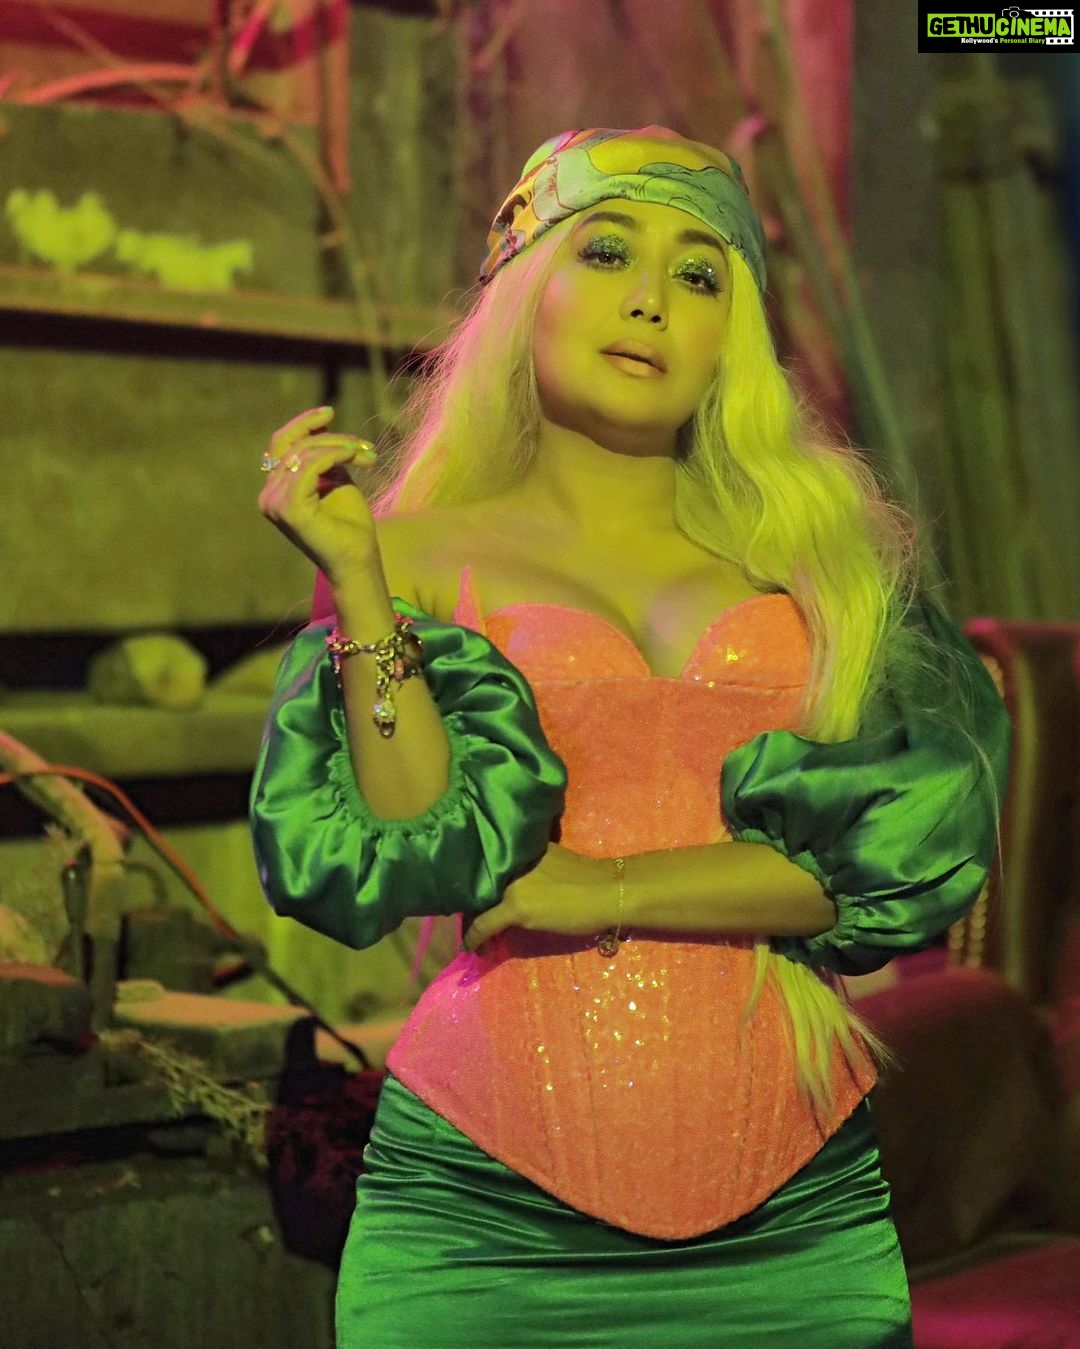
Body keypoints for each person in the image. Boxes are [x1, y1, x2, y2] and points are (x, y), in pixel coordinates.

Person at [250, 127, 1010, 1347]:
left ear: (731, 334)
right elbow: (410, 837)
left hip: (795, 1216)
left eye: (699, 273)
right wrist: (358, 586)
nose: (651, 299)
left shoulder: (833, 565)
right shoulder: (410, 555)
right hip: (484, 1216)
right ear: (524, 291)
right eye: (606, 252)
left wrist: (598, 885)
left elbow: (894, 854)